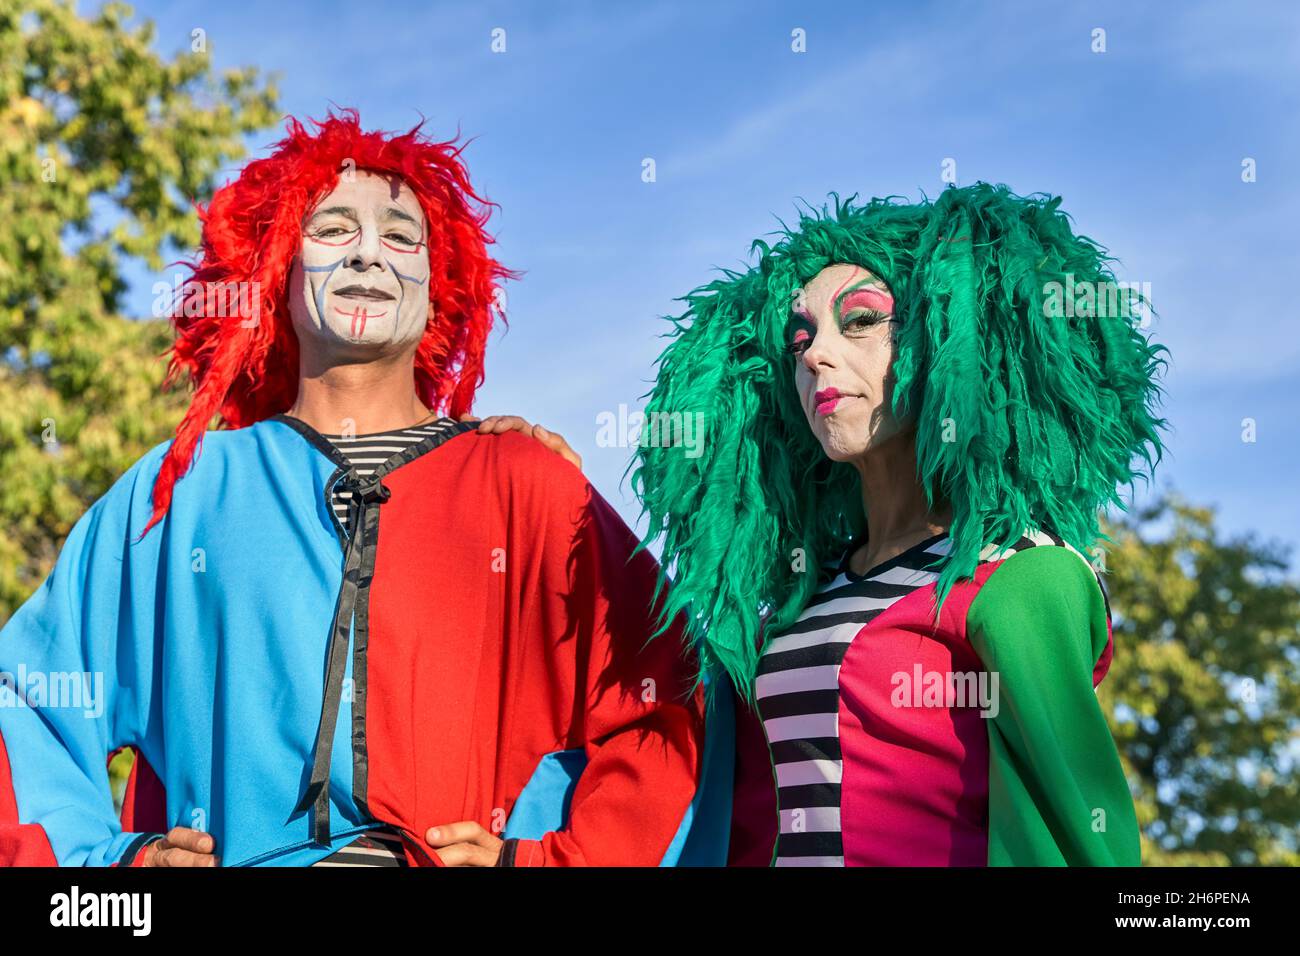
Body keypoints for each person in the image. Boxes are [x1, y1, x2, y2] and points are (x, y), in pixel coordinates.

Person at [0, 111, 724, 868]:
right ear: (275, 266)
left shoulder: (527, 485)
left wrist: (542, 860)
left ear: (439, 286)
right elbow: (26, 702)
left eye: (402, 236)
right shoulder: (180, 493)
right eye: (334, 228)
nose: (370, 255)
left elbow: (673, 705)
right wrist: (115, 864)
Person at [624, 183, 1165, 865]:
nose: (816, 354)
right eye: (801, 336)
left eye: (859, 323)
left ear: (951, 343)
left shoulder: (1020, 575)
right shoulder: (795, 600)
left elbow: (1081, 837)